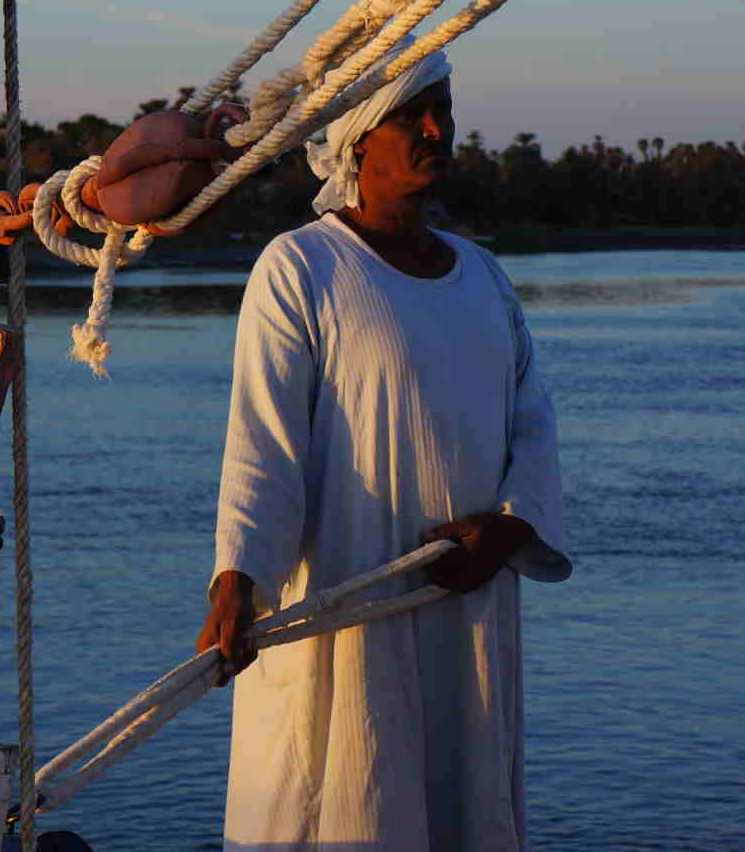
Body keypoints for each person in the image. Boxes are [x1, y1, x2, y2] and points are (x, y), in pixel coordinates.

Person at [195, 48, 570, 851]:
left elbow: (533, 422)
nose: (437, 129)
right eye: (413, 113)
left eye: (444, 109)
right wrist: (238, 577)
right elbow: (264, 446)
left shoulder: (484, 276)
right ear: (359, 137)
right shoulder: (301, 268)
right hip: (349, 610)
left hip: (466, 606)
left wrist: (509, 529)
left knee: (462, 805)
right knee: (346, 796)